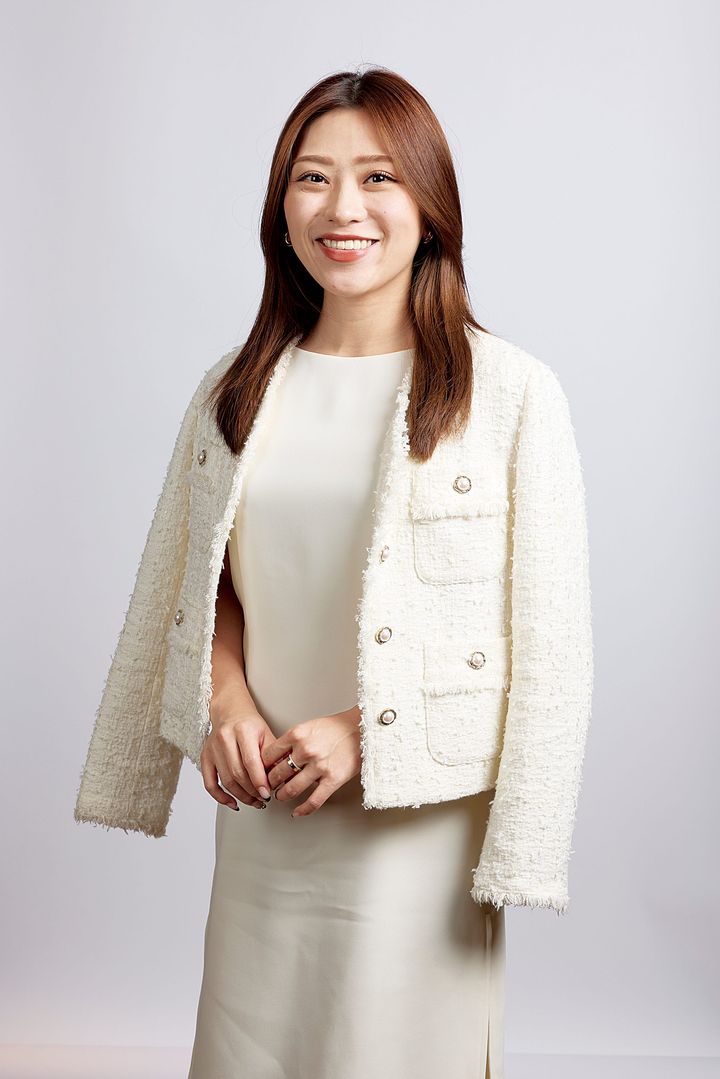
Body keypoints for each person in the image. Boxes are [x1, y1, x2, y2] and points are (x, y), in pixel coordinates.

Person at [74, 65, 593, 1079]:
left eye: (378, 177)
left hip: (417, 823)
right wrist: (224, 700)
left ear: (430, 206)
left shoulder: (510, 394)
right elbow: (203, 585)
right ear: (282, 209)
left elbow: (550, 647)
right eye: (312, 178)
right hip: (265, 811)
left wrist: (366, 731)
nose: (342, 208)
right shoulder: (234, 389)